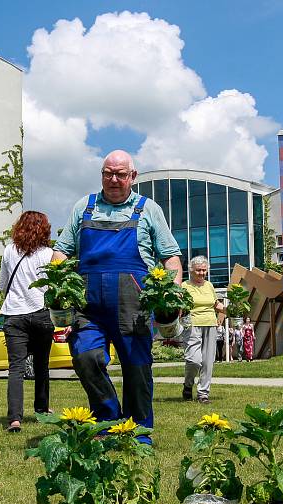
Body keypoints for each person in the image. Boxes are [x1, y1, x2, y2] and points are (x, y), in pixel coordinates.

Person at [53, 150, 182, 440]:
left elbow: (171, 257)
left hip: (132, 305)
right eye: (107, 173)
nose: (113, 179)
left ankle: (138, 432)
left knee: (137, 368)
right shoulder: (83, 207)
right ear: (101, 174)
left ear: (132, 177)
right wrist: (57, 284)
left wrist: (171, 295)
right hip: (88, 306)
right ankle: (107, 420)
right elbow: (61, 250)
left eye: (120, 174)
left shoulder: (148, 209)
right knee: (85, 357)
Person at [0, 211, 55, 433]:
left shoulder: (8, 251)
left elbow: (3, 285)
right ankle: (41, 408)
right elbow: (53, 286)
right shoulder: (49, 254)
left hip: (13, 315)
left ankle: (14, 419)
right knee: (41, 365)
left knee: (16, 368)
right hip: (41, 313)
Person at [181, 255, 225, 404]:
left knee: (207, 361)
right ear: (191, 270)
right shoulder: (184, 286)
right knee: (194, 360)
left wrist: (230, 309)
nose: (201, 273)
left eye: (204, 270)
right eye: (198, 270)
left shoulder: (209, 286)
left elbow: (216, 304)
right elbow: (178, 306)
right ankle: (188, 384)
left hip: (210, 324)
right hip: (192, 324)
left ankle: (203, 394)